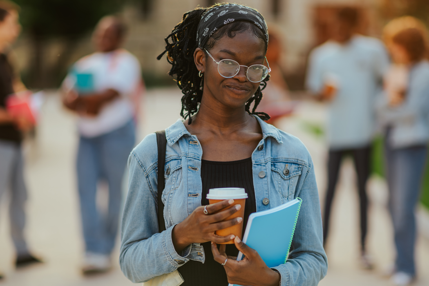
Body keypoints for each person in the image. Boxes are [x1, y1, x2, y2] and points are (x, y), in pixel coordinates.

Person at [120, 3, 327, 286]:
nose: (242, 76)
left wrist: (271, 278)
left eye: (255, 66)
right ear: (201, 60)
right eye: (228, 63)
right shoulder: (154, 155)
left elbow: (314, 259)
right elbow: (131, 262)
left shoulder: (291, 156)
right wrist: (182, 234)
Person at [306, 7, 389, 269]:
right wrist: (324, 94)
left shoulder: (373, 50)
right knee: (329, 192)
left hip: (364, 134)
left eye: (343, 25)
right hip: (336, 135)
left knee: (363, 193)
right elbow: (314, 93)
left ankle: (364, 249)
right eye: (334, 25)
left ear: (354, 25)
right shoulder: (321, 55)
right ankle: (322, 247)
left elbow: (386, 83)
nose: (338, 30)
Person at [62, 16, 142, 274]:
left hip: (116, 134)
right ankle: (92, 249)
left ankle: (107, 248)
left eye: (109, 34)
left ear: (119, 38)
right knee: (86, 190)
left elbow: (111, 93)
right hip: (86, 136)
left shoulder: (126, 61)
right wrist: (83, 102)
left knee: (116, 193)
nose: (102, 38)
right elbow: (67, 96)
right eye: (100, 33)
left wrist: (85, 101)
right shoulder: (85, 63)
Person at [377, 17, 429, 286]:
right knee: (391, 205)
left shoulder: (424, 73)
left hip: (412, 144)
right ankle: (400, 260)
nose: (392, 49)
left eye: (395, 44)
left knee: (404, 207)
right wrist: (392, 101)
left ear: (408, 45)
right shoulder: (397, 70)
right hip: (392, 141)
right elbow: (381, 107)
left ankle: (408, 268)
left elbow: (411, 113)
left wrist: (392, 104)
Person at [0, 1, 43, 280]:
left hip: (14, 141)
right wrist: (14, 118)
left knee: (19, 197)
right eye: (12, 23)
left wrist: (27, 107)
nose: (17, 29)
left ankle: (22, 251)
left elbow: (15, 91)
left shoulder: (5, 58)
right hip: (2, 140)